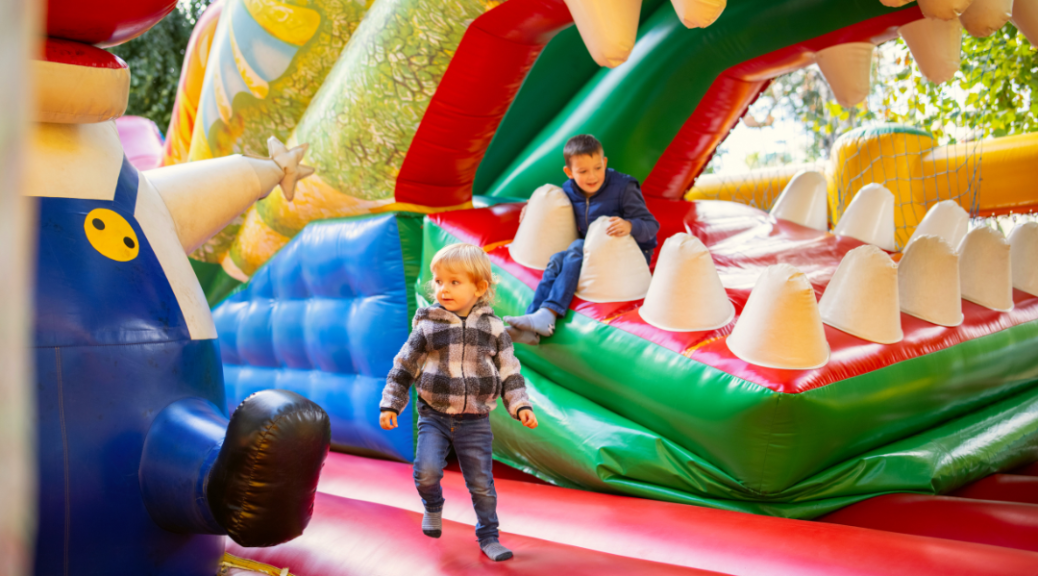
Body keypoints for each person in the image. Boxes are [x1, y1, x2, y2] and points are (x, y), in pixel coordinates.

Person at [379, 243, 538, 562]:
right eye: (438, 281)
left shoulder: (493, 329)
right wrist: (391, 403)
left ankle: (489, 536)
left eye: (454, 282)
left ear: (479, 287)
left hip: (475, 420)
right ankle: (433, 506)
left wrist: (520, 404)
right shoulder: (428, 325)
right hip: (434, 415)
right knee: (426, 472)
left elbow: (509, 370)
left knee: (481, 482)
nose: (443, 289)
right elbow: (404, 365)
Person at [504, 134, 660, 344]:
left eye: (597, 168)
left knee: (576, 246)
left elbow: (651, 225)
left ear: (604, 162)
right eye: (583, 171)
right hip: (593, 251)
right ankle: (531, 322)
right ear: (569, 173)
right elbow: (554, 200)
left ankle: (549, 313)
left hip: (632, 255)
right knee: (557, 260)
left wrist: (630, 225)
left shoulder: (624, 187)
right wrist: (531, 206)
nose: (592, 176)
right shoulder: (570, 189)